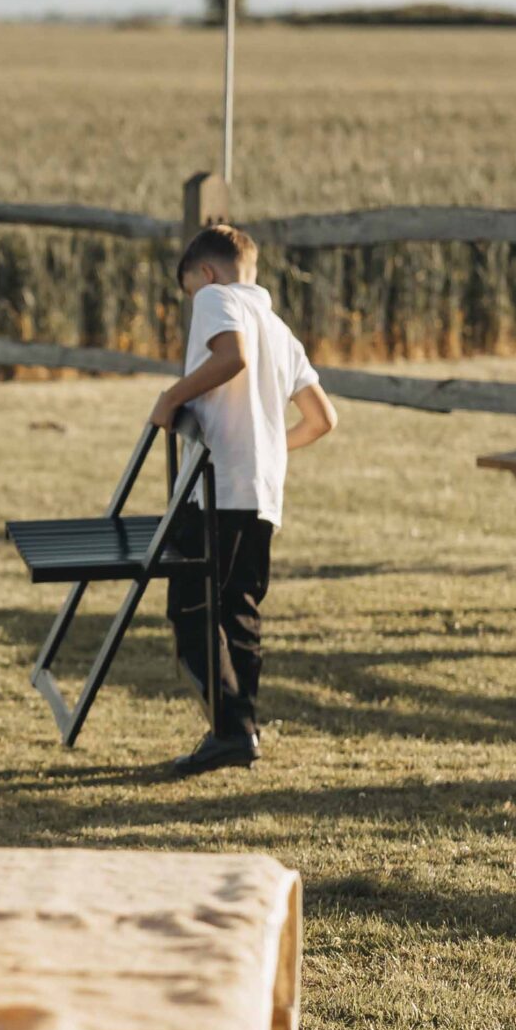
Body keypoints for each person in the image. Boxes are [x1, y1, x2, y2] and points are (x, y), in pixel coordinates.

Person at [146, 222, 337, 776]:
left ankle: (233, 732)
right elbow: (323, 419)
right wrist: (271, 449)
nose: (192, 302)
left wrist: (171, 397)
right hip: (261, 490)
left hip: (216, 488)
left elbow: (230, 359)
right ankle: (238, 730)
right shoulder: (279, 328)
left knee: (190, 609)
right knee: (241, 613)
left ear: (204, 273)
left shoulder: (214, 298)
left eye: (189, 290)